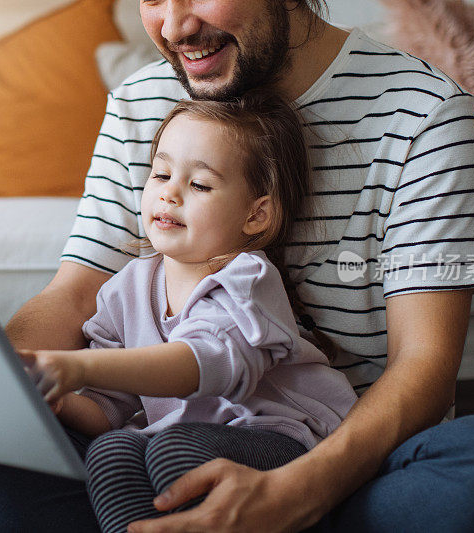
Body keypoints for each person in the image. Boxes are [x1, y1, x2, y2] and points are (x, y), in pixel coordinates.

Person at [0, 1, 474, 531]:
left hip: (342, 463)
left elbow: (425, 369)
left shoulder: (424, 109)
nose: (173, 26)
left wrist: (292, 495)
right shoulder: (143, 100)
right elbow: (76, 294)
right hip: (163, 451)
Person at [19, 92, 358, 533]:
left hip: (284, 442)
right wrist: (51, 400)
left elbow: (203, 364)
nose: (170, 194)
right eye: (161, 174)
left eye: (199, 184)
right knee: (110, 449)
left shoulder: (248, 278)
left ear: (256, 215)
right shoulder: (126, 288)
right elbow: (107, 408)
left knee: (170, 449)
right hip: (182, 440)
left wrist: (75, 365)